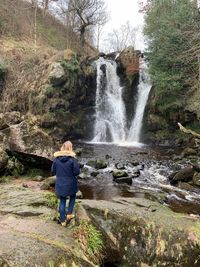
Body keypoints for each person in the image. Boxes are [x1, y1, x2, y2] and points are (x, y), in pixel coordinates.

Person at [51, 141, 80, 226]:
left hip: (60, 183)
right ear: (70, 148)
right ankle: (69, 214)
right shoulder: (73, 160)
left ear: (62, 147)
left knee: (62, 200)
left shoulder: (56, 160)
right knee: (73, 196)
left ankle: (63, 220)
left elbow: (53, 171)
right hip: (71, 183)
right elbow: (77, 172)